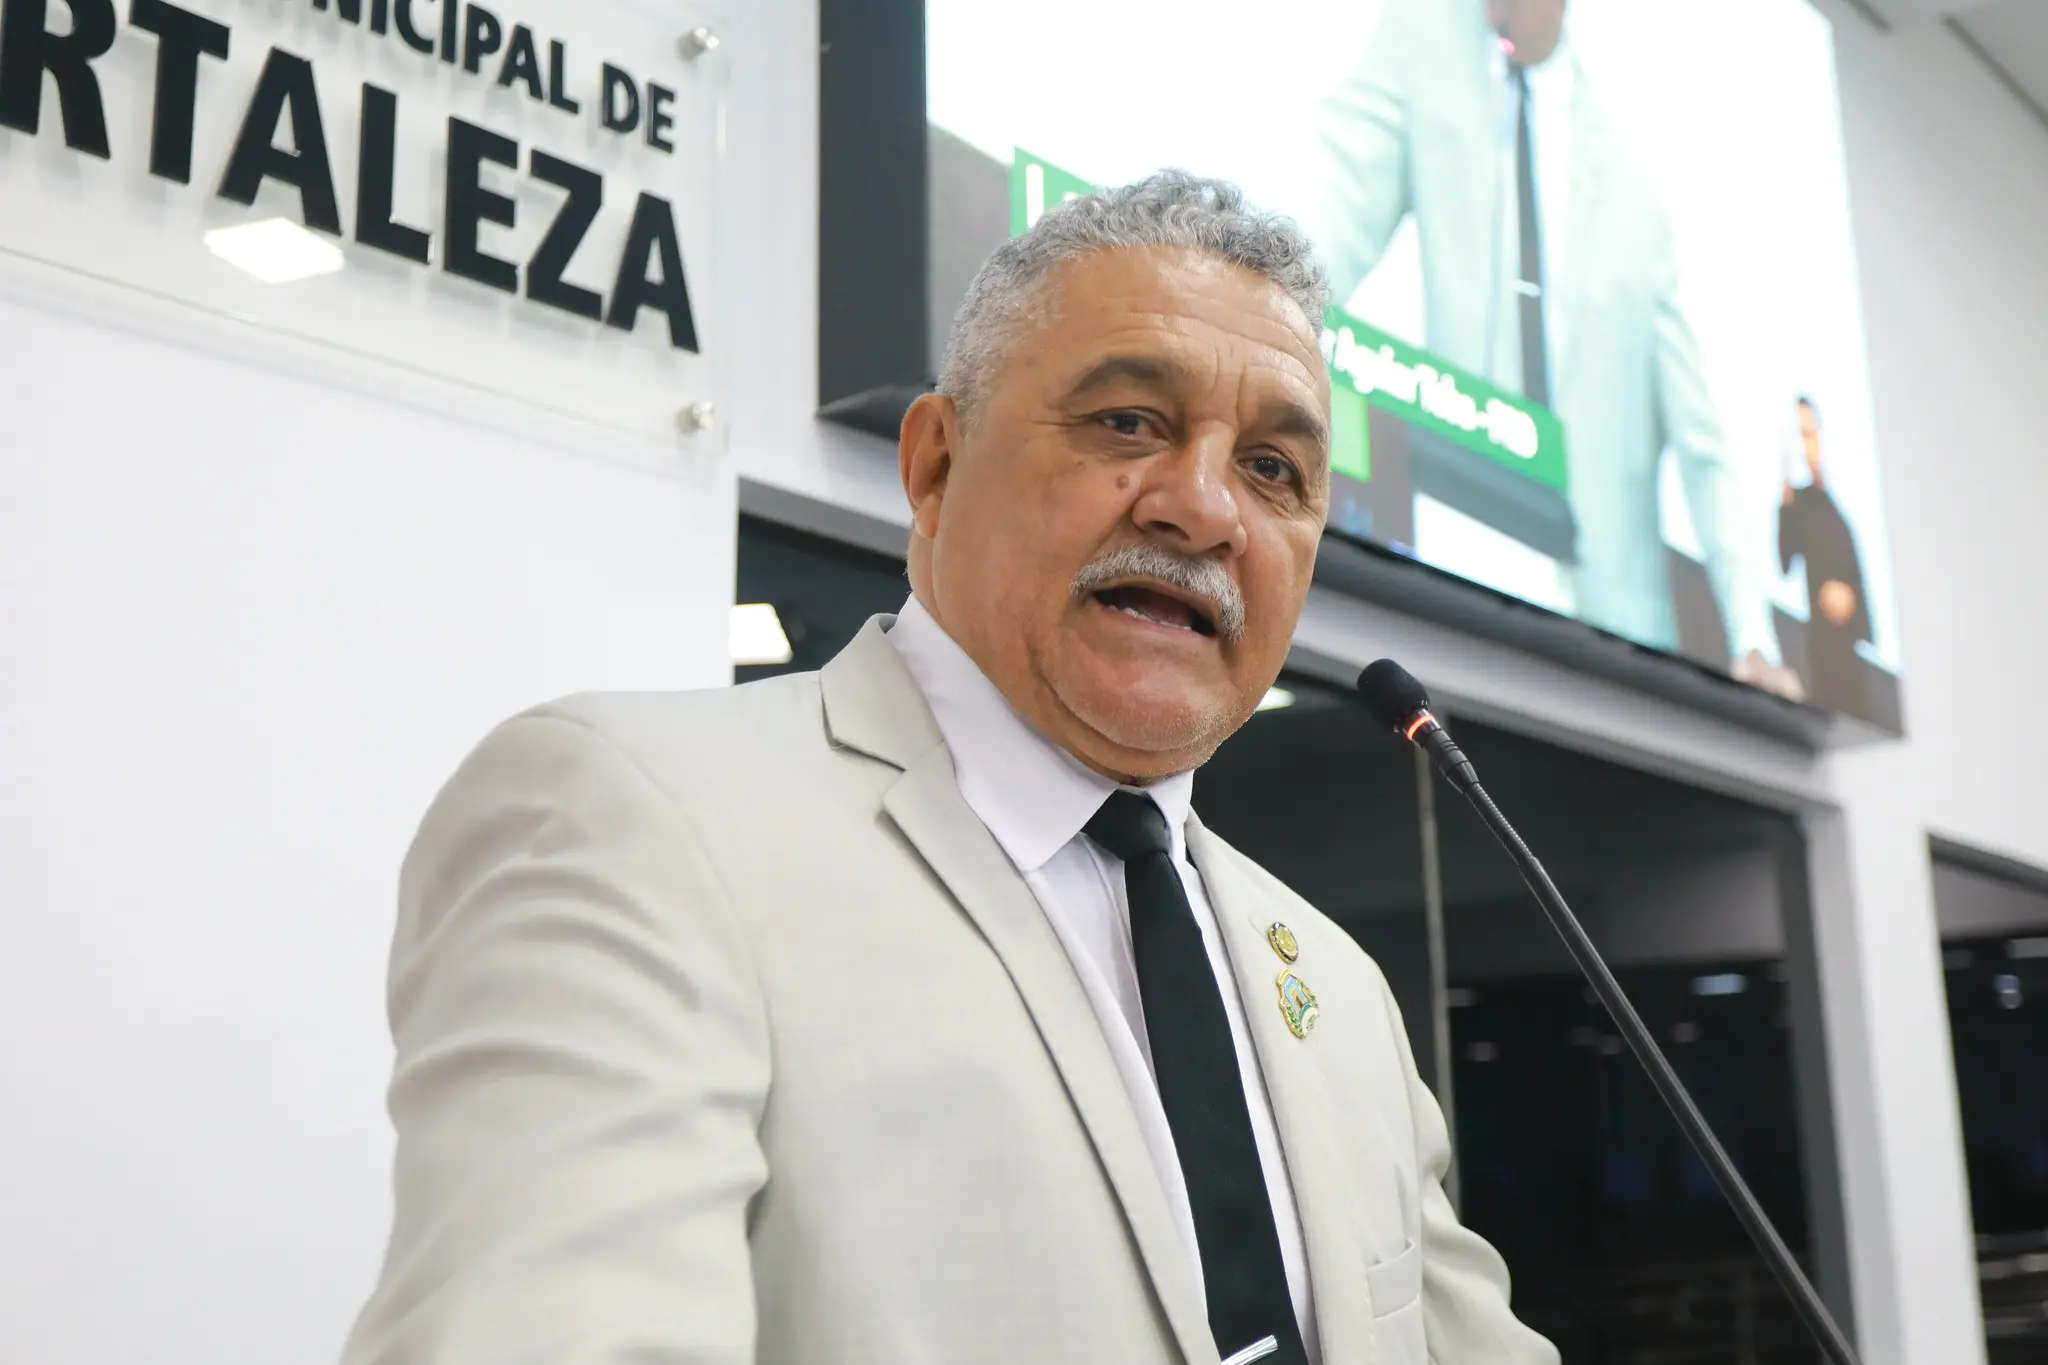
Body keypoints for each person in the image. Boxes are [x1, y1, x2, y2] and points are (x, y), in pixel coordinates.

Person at [341, 171, 1555, 1365]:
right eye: (1127, 423)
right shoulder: (639, 822)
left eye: (1271, 470)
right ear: (932, 465)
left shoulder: (1335, 986)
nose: (1201, 509)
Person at [1306, 0, 1787, 690]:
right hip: (1456, 549)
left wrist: (1753, 635)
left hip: (1613, 623)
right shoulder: (1424, 42)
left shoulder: (1633, 188)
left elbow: (1701, 438)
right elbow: (1334, 215)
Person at [1778, 395, 1872, 712]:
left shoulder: (1836, 506)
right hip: (1822, 645)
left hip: (1850, 648)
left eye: (1810, 434)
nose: (1807, 446)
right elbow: (1784, 561)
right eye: (1800, 436)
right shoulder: (1797, 504)